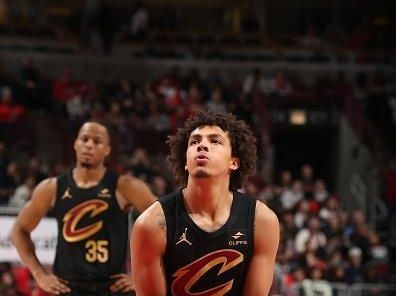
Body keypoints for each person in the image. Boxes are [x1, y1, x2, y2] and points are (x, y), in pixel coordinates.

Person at [131, 111, 280, 295]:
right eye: (194, 142)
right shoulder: (152, 224)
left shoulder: (262, 221)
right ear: (186, 161)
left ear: (233, 162)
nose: (202, 145)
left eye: (215, 141)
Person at [11, 121, 157, 295]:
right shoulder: (52, 188)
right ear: (76, 144)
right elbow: (19, 230)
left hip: (112, 288)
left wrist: (144, 273)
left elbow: (169, 224)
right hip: (68, 287)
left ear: (107, 150)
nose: (89, 145)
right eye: (85, 139)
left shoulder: (125, 186)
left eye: (97, 141)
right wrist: (39, 274)